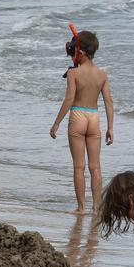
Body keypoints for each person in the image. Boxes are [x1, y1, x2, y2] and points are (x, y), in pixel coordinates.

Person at [49, 30, 114, 215]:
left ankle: (81, 208)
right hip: (94, 117)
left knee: (79, 166)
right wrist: (110, 127)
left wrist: (56, 123)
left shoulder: (74, 73)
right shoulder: (102, 75)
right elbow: (108, 101)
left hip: (77, 116)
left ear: (81, 52)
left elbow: (69, 99)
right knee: (95, 167)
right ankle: (96, 208)